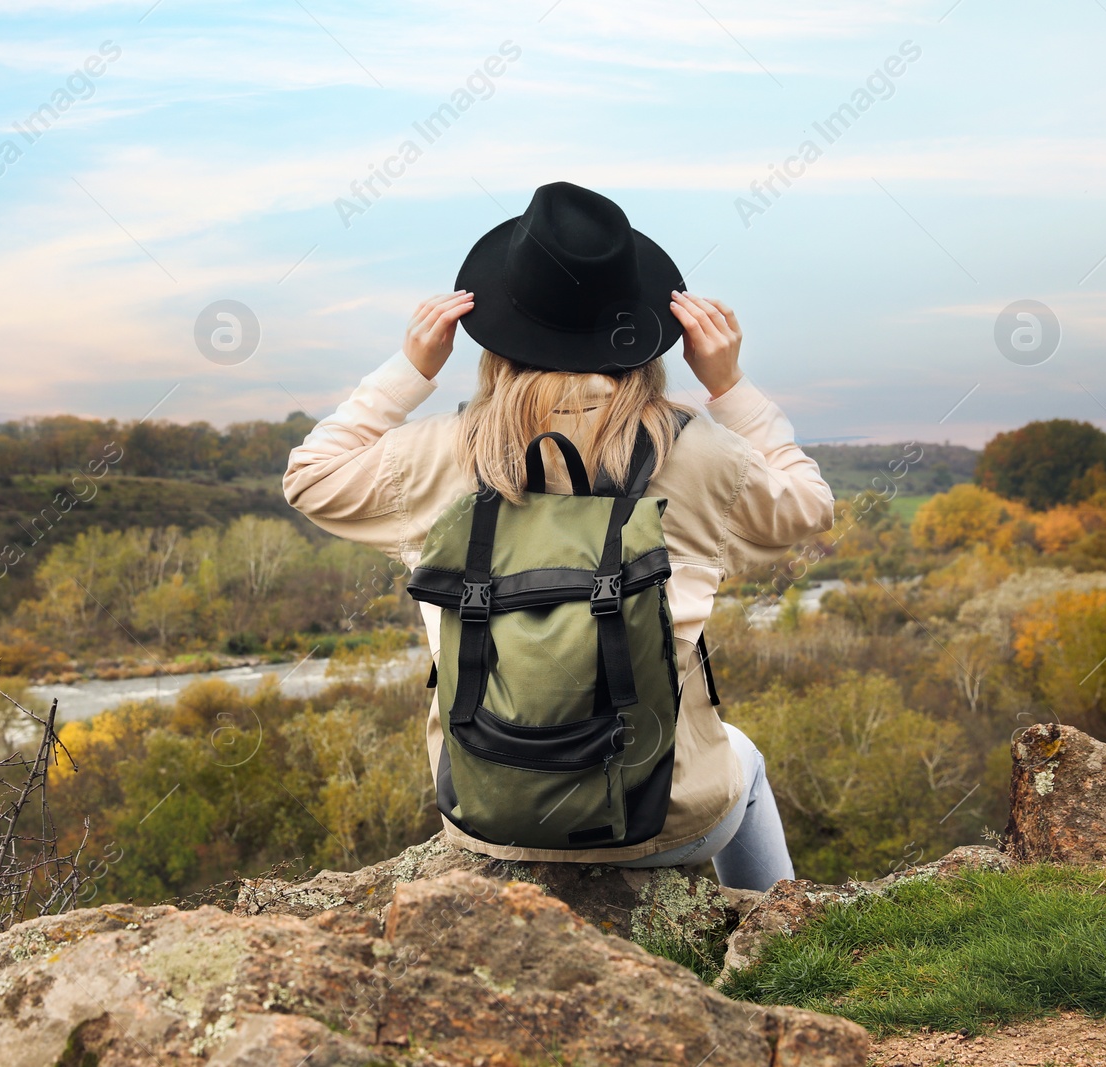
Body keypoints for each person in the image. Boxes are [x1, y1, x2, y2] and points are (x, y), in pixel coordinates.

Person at [282, 181, 833, 889]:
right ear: (637, 329)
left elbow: (310, 476)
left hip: (488, 813)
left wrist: (410, 369)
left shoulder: (447, 452)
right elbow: (810, 504)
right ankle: (775, 941)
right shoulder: (694, 455)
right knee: (742, 756)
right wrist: (729, 384)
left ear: (500, 330)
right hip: (662, 819)